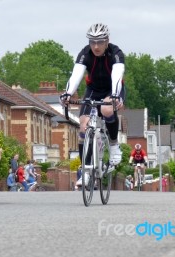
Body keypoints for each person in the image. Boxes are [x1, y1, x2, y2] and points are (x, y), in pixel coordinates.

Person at [60, 23, 125, 185]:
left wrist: (116, 95)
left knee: (107, 109)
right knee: (83, 126)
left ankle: (114, 144)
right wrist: (68, 93)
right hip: (93, 89)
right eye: (92, 42)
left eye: (100, 42)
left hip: (112, 89)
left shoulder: (116, 53)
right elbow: (76, 76)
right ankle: (86, 171)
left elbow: (117, 76)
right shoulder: (85, 53)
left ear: (107, 41)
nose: (96, 46)